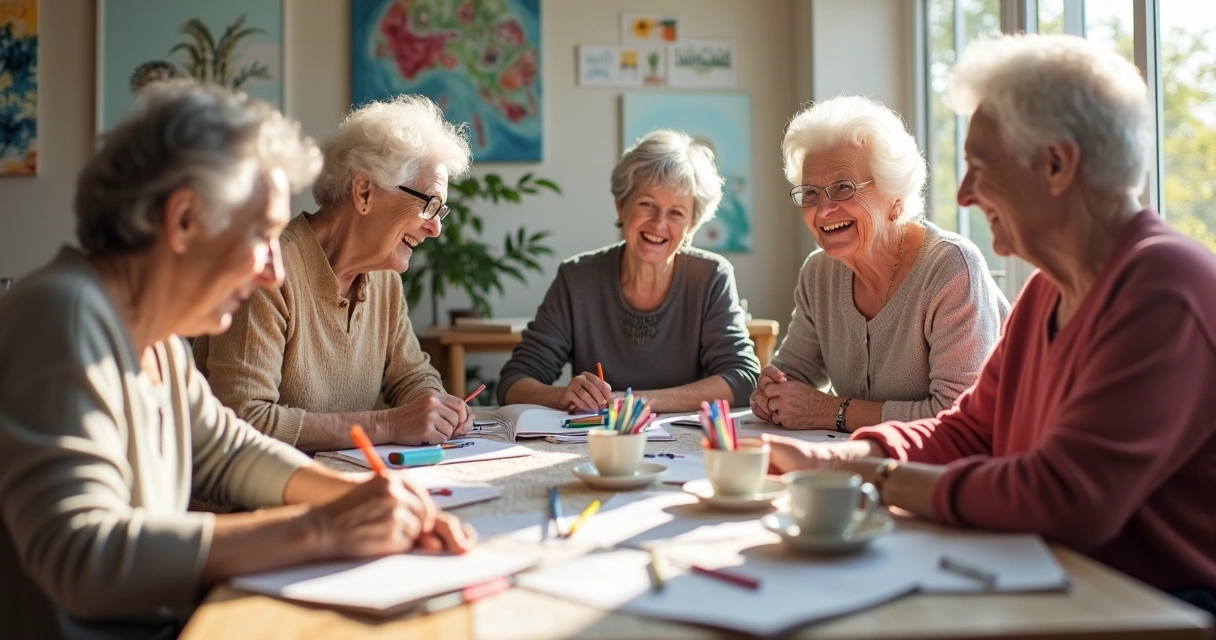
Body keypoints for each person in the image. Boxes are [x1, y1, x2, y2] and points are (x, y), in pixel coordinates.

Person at [0, 82, 474, 639]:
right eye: (263, 236)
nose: (274, 271)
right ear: (182, 221)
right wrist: (323, 528)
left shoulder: (155, 342)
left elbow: (227, 452)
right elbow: (81, 555)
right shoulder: (64, 315)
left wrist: (362, 496)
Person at [764, 34, 1216, 613]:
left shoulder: (1163, 285)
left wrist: (876, 479)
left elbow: (1064, 496)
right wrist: (831, 461)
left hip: (1153, 607)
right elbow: (970, 431)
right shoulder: (1047, 291)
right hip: (1054, 579)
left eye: (980, 165)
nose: (964, 193)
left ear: (1056, 165)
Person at [194, 95, 474, 451]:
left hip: (346, 483)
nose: (435, 228)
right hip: (252, 501)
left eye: (440, 211)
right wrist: (387, 423)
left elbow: (411, 375)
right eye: (428, 204)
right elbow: (245, 418)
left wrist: (435, 407)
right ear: (364, 192)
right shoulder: (268, 270)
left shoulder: (382, 277)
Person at [752, 96, 1009, 433]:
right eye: (811, 193)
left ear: (895, 197)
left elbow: (958, 416)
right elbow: (795, 373)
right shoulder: (819, 274)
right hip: (866, 462)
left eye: (843, 188)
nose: (823, 209)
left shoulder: (950, 267)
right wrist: (772, 391)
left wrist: (831, 411)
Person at [499, 130, 760, 413]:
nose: (659, 223)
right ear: (621, 206)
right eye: (647, 204)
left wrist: (636, 402)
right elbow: (513, 383)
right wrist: (564, 395)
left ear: (692, 226)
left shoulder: (711, 277)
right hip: (595, 445)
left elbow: (742, 379)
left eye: (676, 213)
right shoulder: (577, 278)